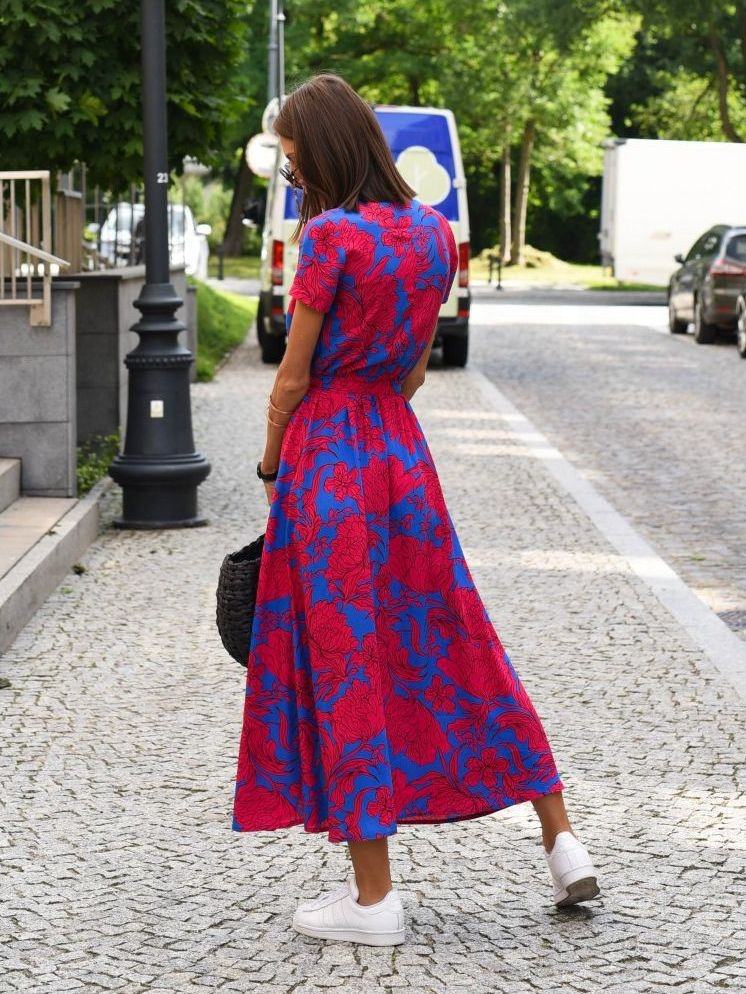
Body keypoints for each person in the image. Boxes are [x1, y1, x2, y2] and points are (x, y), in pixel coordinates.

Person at [232, 72, 600, 946]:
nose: (291, 170)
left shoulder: (331, 236)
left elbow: (292, 376)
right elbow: (413, 372)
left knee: (348, 660)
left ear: (321, 147)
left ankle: (375, 901)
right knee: (458, 638)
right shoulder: (434, 232)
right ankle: (562, 841)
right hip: (402, 461)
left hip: (329, 461)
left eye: (292, 154)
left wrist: (273, 459)